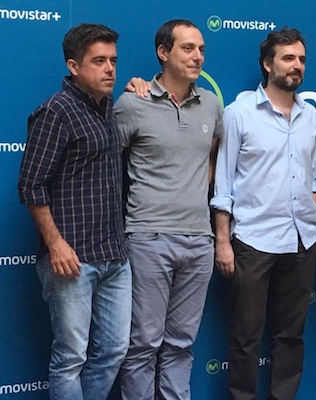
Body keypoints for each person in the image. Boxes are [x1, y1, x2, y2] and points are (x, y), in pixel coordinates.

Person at [17, 23, 130, 400]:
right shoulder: (56, 111)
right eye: (99, 61)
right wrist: (55, 244)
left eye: (113, 60)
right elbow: (31, 185)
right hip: (72, 260)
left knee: (114, 351)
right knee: (70, 358)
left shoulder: (108, 108)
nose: (110, 68)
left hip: (114, 255)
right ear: (74, 66)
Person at [114, 19, 223, 400]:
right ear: (163, 52)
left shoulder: (211, 104)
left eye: (201, 49)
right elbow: (104, 166)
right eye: (188, 48)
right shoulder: (133, 104)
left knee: (181, 343)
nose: (198, 57)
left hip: (199, 240)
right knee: (143, 343)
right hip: (149, 237)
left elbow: (214, 156)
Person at [210, 27, 316, 400]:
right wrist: (223, 241)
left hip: (302, 239)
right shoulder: (239, 114)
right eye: (288, 58)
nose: (296, 65)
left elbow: (314, 176)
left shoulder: (310, 116)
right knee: (246, 336)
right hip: (253, 239)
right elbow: (223, 183)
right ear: (267, 64)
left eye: (301, 59)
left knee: (291, 334)